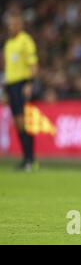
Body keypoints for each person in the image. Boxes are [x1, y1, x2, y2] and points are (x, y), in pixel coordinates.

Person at [1, 11, 39, 171]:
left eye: (13, 24)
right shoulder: (9, 44)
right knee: (18, 123)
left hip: (21, 84)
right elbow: (7, 67)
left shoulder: (26, 41)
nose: (11, 27)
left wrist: (29, 83)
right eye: (9, 25)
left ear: (20, 25)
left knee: (23, 122)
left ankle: (30, 159)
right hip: (11, 85)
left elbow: (33, 65)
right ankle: (27, 159)